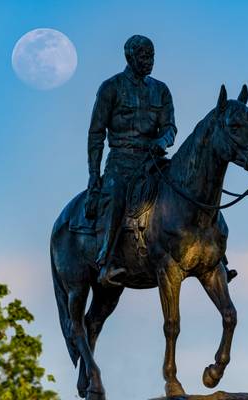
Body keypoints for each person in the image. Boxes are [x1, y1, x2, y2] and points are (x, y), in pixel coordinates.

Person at [85, 34, 177, 286]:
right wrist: (94, 175)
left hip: (153, 161)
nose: (149, 61)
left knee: (187, 188)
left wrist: (163, 140)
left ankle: (216, 255)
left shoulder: (161, 90)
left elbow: (170, 126)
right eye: (144, 56)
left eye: (152, 56)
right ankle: (106, 261)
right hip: (121, 162)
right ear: (129, 57)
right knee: (115, 198)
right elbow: (96, 134)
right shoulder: (111, 88)